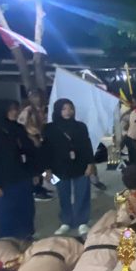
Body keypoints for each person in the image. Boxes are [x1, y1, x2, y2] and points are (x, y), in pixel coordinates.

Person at [0, 99, 37, 240]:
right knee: (4, 211)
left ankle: (25, 236)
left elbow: (29, 151)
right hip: (4, 180)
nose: (15, 112)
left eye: (15, 109)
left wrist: (35, 172)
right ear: (2, 111)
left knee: (26, 208)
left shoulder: (17, 128)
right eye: (11, 109)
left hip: (23, 176)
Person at [43, 99, 95, 237]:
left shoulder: (80, 126)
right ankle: (66, 221)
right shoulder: (49, 128)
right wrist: (46, 170)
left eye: (70, 108)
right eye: (64, 109)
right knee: (62, 194)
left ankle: (82, 221)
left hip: (81, 165)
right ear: (58, 110)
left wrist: (90, 164)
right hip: (58, 168)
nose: (67, 111)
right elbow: (45, 150)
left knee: (83, 193)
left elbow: (87, 146)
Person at [18, 89, 53, 201]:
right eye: (34, 97)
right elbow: (21, 127)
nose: (37, 99)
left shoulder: (43, 109)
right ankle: (35, 190)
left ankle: (42, 187)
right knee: (35, 166)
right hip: (32, 140)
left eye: (38, 96)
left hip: (43, 138)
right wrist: (32, 138)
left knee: (43, 164)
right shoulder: (27, 111)